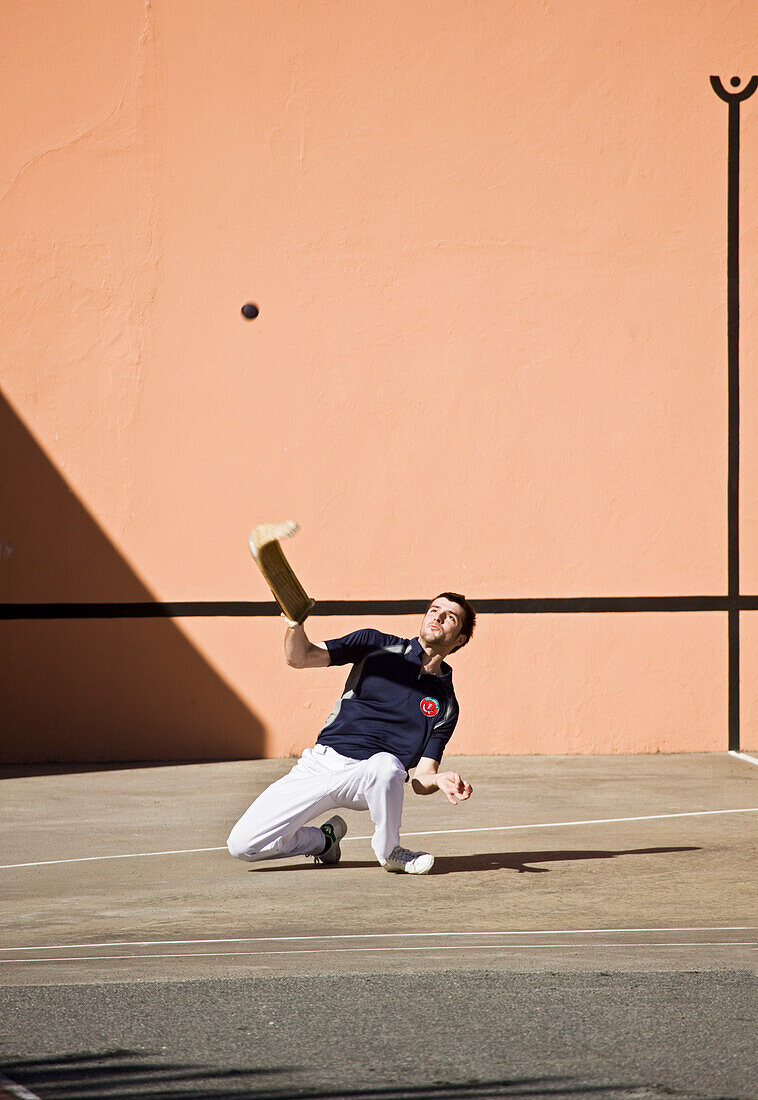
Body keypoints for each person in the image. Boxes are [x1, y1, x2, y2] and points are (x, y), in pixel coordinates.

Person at [227, 592, 475, 875]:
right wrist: (295, 625)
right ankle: (323, 840)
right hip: (321, 763)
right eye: (434, 609)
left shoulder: (446, 704)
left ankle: (390, 851)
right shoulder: (374, 644)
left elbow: (420, 779)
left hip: (369, 778)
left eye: (450, 616)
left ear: (460, 639)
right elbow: (300, 657)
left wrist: (438, 779)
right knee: (243, 845)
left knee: (388, 765)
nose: (438, 616)